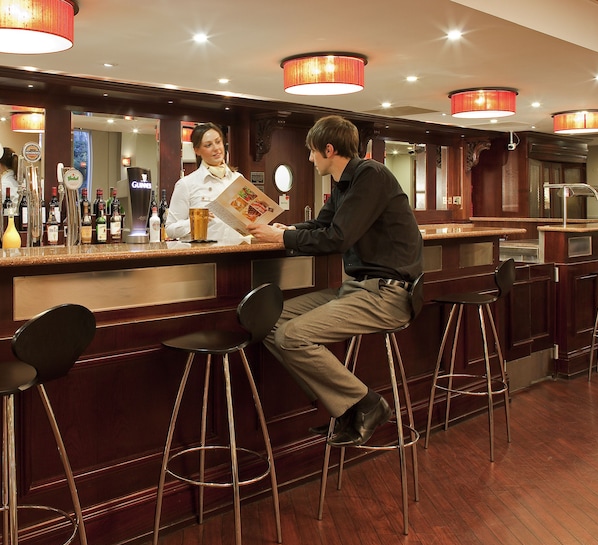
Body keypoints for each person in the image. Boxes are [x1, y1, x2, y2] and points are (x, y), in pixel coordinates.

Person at [247, 115, 424, 447]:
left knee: (291, 336)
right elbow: (321, 225)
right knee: (271, 324)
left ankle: (369, 405)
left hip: (388, 295)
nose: (310, 159)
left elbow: (337, 238)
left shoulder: (371, 176)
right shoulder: (345, 183)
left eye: (312, 152)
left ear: (328, 150)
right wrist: (287, 230)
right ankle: (345, 408)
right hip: (358, 289)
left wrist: (281, 239)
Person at [166, 123, 246, 244]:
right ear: (197, 150)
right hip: (204, 253)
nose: (216, 148)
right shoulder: (186, 184)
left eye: (218, 142)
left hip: (239, 250)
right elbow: (170, 229)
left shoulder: (238, 179)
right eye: (208, 145)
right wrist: (195, 221)